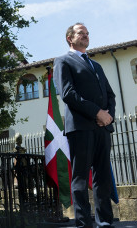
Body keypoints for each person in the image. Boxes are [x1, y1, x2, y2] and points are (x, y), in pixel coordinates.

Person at [53, 22, 115, 227]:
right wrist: (97, 112)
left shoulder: (96, 65)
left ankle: (105, 221)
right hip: (80, 127)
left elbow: (110, 95)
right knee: (80, 178)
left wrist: (108, 117)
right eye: (81, 33)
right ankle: (83, 223)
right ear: (70, 38)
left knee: (103, 176)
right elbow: (68, 94)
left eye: (87, 33)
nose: (86, 36)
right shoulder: (63, 61)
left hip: (102, 128)